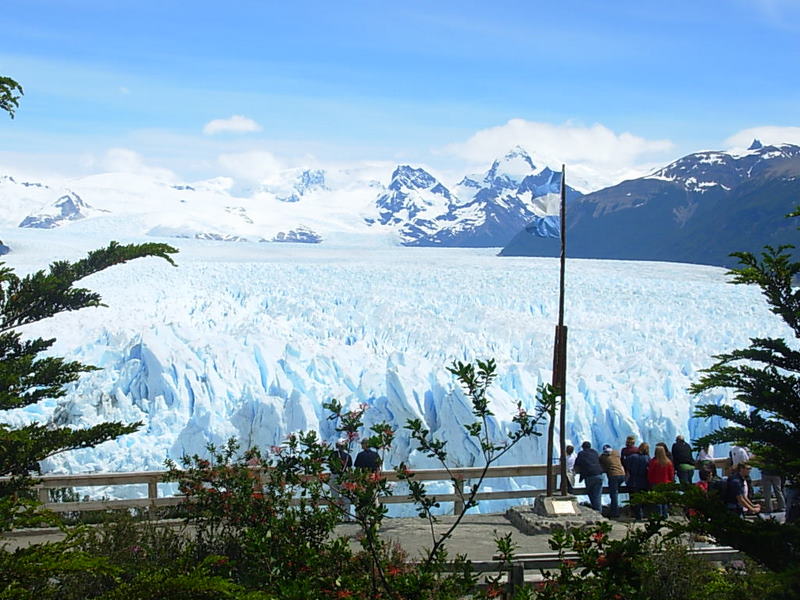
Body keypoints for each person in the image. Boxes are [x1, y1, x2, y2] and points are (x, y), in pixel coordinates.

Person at [573, 441, 604, 512]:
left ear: (583, 447)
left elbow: (577, 463)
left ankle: (597, 511)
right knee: (597, 494)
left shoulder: (581, 454)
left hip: (589, 476)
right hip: (599, 474)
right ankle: (598, 510)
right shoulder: (595, 452)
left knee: (591, 493)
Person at [647, 445, 675, 518]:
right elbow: (671, 474)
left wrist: (650, 481)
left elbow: (650, 473)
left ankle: (659, 515)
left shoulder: (654, 462)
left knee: (657, 500)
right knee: (664, 499)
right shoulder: (668, 462)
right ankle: (665, 514)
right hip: (666, 483)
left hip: (656, 483)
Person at [599, 444, 626, 518]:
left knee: (614, 494)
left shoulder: (603, 457)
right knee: (616, 492)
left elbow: (600, 462)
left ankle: (615, 513)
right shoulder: (616, 453)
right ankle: (617, 509)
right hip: (622, 475)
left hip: (613, 475)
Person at [625, 443, 651, 520]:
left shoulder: (632, 457)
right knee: (643, 498)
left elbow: (626, 465)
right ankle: (644, 513)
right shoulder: (647, 458)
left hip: (633, 480)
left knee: (635, 499)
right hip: (644, 481)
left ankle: (637, 515)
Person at [330, 438, 353, 520]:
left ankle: (334, 517)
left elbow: (329, 465)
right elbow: (350, 469)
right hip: (344, 477)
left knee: (334, 497)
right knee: (346, 497)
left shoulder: (332, 455)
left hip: (333, 476)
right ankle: (346, 517)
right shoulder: (348, 456)